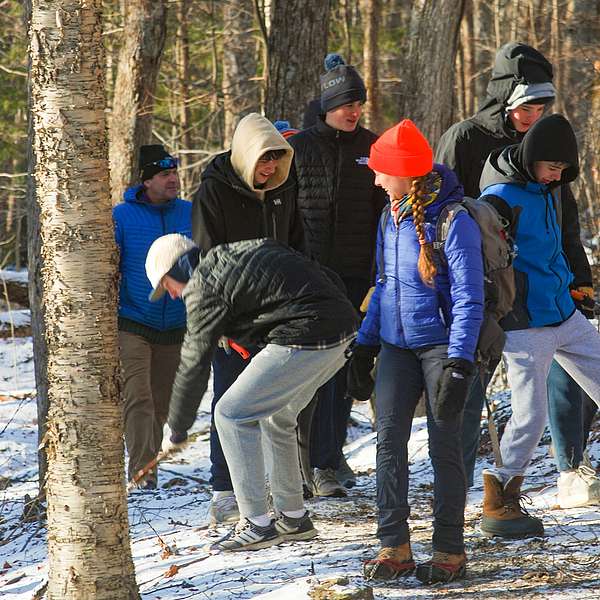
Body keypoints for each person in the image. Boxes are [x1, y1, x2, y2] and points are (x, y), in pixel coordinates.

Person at [436, 41, 599, 506]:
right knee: (494, 405)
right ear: (507, 98)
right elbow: (453, 220)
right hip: (506, 308)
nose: (535, 113)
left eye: (543, 106)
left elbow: (565, 230)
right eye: (528, 105)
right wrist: (464, 294)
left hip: (557, 306)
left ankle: (546, 476)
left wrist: (579, 280)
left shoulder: (552, 176)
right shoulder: (469, 142)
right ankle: (470, 489)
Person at [147, 235, 359, 551]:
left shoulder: (203, 285)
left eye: (167, 287)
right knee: (279, 416)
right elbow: (308, 276)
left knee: (230, 413)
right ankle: (293, 516)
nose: (173, 297)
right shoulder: (231, 255)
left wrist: (177, 428)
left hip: (306, 335)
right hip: (343, 330)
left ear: (176, 270)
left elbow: (193, 362)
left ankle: (256, 523)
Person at [349, 120, 484, 584]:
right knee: (388, 444)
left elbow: (469, 298)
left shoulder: (454, 220)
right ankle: (395, 547)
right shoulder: (390, 216)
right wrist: (364, 347)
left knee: (445, 449)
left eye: (381, 171)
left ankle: (449, 550)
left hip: (442, 349)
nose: (375, 178)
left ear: (405, 173)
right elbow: (386, 286)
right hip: (394, 348)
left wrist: (460, 362)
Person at [478, 114, 600, 538]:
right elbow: (484, 262)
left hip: (564, 312)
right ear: (532, 159)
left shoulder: (551, 190)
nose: (557, 176)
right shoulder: (499, 198)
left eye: (564, 171)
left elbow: (563, 242)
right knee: (531, 416)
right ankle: (500, 499)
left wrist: (575, 287)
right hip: (524, 322)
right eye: (552, 167)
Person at [191, 113, 305, 523]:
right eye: (264, 160)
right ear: (245, 156)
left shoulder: (282, 188)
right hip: (235, 317)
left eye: (277, 159)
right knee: (230, 403)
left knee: (276, 405)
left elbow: (297, 244)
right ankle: (225, 489)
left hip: (279, 316)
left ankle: (276, 491)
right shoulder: (213, 192)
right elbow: (207, 260)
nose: (270, 168)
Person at [289, 53, 387, 497]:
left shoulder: (374, 148)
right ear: (327, 105)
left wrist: (378, 276)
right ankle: (311, 461)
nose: (354, 111)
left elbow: (385, 215)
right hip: (309, 281)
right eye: (346, 103)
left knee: (348, 369)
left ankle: (330, 457)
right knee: (312, 373)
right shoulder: (300, 148)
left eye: (359, 103)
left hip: (357, 280)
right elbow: (288, 215)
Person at [113, 145, 192, 489]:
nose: (173, 179)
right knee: (138, 396)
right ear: (146, 180)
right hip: (134, 322)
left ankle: (148, 468)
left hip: (176, 324)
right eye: (164, 174)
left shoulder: (191, 213)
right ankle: (142, 475)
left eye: (174, 172)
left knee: (161, 402)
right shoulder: (122, 216)